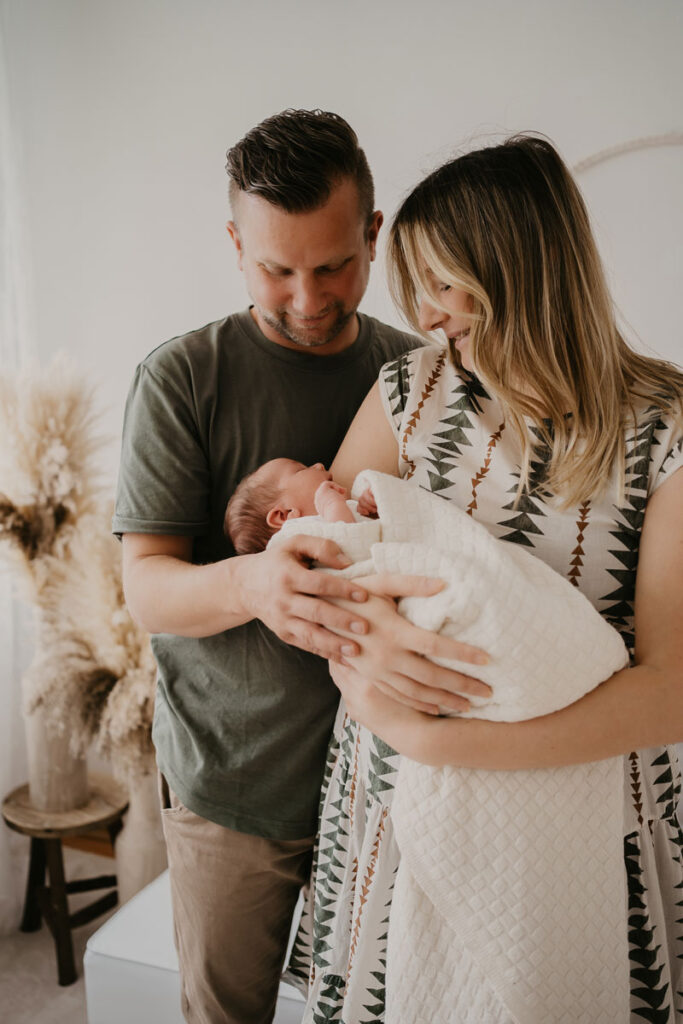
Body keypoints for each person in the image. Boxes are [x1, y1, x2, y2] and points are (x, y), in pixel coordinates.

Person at [286, 134, 683, 1022]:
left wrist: (438, 740)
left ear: (517, 269)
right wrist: (366, 641)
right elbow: (322, 557)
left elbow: (672, 690)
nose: (425, 314)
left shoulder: (664, 430)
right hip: (399, 801)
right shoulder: (410, 394)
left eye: (442, 284)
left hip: (584, 805)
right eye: (415, 288)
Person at [112, 109, 489, 1024]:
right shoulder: (181, 379)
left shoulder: (419, 375)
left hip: (392, 783)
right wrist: (255, 584)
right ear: (236, 246)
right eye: (276, 269)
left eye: (331, 266)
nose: (308, 297)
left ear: (373, 234)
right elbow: (149, 590)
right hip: (234, 790)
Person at [225, 458, 379, 554]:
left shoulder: (324, 517)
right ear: (284, 515)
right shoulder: (297, 536)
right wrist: (333, 504)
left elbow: (369, 531)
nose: (319, 465)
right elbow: (348, 542)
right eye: (301, 470)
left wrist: (369, 509)